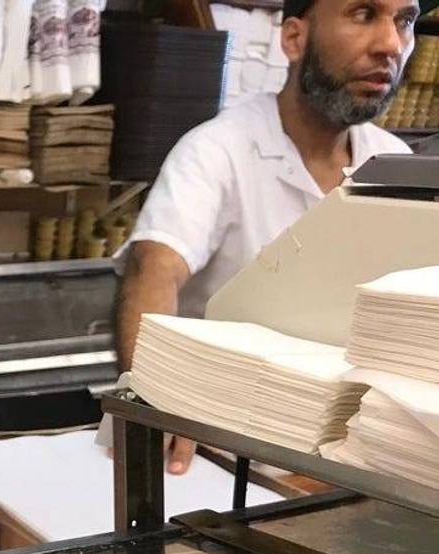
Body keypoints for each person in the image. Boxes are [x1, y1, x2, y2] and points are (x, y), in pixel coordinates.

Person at [113, 0, 421, 473]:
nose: (391, 45)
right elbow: (154, 269)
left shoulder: (393, 163)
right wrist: (156, 398)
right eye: (363, 15)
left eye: (405, 21)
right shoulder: (218, 150)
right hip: (215, 449)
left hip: (347, 462)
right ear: (294, 39)